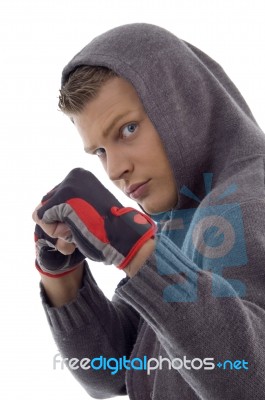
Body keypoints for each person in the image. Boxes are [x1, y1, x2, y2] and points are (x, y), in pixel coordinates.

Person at [32, 23, 265, 399]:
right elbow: (120, 371)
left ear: (184, 105)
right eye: (101, 152)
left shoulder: (245, 207)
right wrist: (62, 277)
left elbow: (251, 381)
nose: (113, 170)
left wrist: (136, 249)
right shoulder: (184, 216)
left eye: (126, 129)